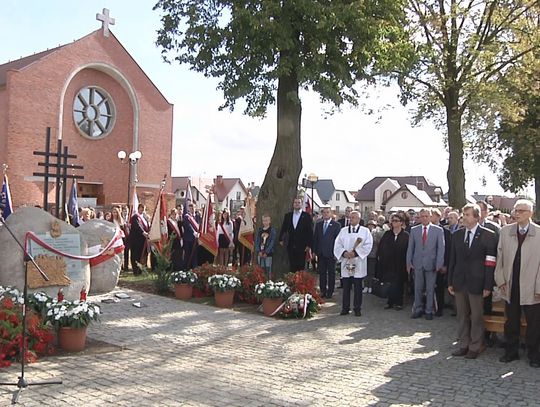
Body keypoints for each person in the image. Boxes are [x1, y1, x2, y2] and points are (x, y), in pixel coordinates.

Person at [448, 204, 497, 359]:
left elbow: (490, 262)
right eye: (463, 213)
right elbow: (452, 260)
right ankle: (463, 344)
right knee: (461, 315)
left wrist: (488, 285)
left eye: (468, 214)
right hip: (459, 281)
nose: (464, 216)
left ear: (476, 217)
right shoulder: (456, 235)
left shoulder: (488, 235)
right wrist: (450, 282)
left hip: (478, 282)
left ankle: (475, 345)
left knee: (476, 316)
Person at [495, 199, 540, 368]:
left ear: (531, 213)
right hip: (511, 284)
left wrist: (539, 287)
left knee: (534, 324)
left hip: (531, 286)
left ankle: (534, 354)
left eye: (522, 211)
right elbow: (500, 258)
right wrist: (500, 280)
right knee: (511, 321)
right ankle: (511, 352)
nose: (517, 213)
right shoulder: (506, 232)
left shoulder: (539, 234)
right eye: (516, 210)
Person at [406, 208, 445, 320]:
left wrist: (439, 263)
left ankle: (429, 310)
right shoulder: (414, 230)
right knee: (418, 288)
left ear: (430, 216)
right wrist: (409, 262)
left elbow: (441, 248)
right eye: (422, 216)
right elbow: (410, 247)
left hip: (431, 264)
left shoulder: (438, 230)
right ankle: (417, 309)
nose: (424, 218)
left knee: (430, 288)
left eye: (426, 216)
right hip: (417, 263)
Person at [334, 211, 373, 316]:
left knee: (357, 286)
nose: (351, 219)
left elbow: (368, 245)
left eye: (354, 217)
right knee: (346, 286)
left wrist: (355, 253)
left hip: (358, 262)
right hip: (346, 261)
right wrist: (344, 253)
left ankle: (357, 308)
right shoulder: (343, 231)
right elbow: (337, 245)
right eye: (350, 217)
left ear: (359, 219)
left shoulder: (365, 231)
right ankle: (345, 308)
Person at [377, 213, 409, 310]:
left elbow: (408, 249)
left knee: (399, 283)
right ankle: (390, 302)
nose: (394, 223)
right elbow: (381, 247)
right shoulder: (387, 234)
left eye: (396, 221)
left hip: (400, 263)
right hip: (388, 264)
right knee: (390, 283)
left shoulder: (406, 235)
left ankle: (399, 303)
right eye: (393, 221)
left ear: (401, 223)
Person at [312, 206, 341, 299]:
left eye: (327, 212)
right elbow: (315, 238)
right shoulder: (319, 224)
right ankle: (323, 290)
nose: (325, 214)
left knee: (331, 273)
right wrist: (314, 251)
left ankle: (330, 291)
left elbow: (338, 241)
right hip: (321, 253)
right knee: (322, 273)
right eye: (324, 212)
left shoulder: (336, 225)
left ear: (331, 213)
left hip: (331, 254)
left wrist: (337, 253)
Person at [279, 197, 313, 272]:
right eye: (295, 202)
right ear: (293, 204)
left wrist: (309, 245)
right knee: (292, 265)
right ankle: (292, 281)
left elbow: (310, 231)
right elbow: (284, 228)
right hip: (291, 244)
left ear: (301, 204)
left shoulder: (306, 216)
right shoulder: (288, 216)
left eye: (298, 203)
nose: (297, 204)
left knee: (300, 266)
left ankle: (300, 282)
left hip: (302, 245)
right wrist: (280, 239)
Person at [431, 208, 451, 317]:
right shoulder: (425, 230)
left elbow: (448, 250)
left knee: (439, 287)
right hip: (428, 264)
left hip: (440, 265)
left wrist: (445, 265)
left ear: (438, 217)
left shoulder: (446, 232)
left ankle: (439, 308)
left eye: (432, 215)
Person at [254, 214, 276, 279]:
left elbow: (272, 242)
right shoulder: (260, 230)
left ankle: (268, 282)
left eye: (266, 220)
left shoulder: (272, 231)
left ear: (269, 221)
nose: (265, 222)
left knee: (268, 268)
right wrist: (259, 251)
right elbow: (257, 241)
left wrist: (266, 252)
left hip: (268, 253)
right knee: (261, 269)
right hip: (260, 253)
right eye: (264, 221)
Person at [129, 204, 149, 275]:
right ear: (138, 208)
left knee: (142, 255)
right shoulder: (135, 217)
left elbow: (147, 226)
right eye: (141, 208)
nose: (142, 210)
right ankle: (136, 271)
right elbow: (138, 226)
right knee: (135, 255)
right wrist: (143, 233)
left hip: (143, 240)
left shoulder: (144, 218)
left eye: (143, 208)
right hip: (136, 240)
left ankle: (140, 270)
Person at [182, 203, 199, 270]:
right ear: (189, 209)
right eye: (191, 208)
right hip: (188, 239)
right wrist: (193, 232)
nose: (192, 209)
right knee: (187, 254)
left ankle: (195, 269)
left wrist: (198, 233)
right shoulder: (187, 217)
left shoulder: (197, 216)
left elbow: (199, 225)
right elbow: (188, 225)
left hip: (195, 239)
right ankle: (185, 269)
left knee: (195, 255)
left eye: (193, 208)